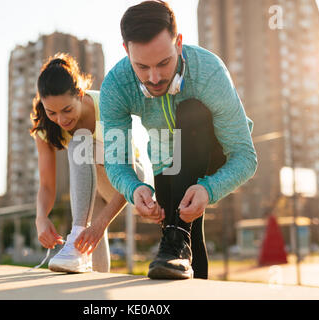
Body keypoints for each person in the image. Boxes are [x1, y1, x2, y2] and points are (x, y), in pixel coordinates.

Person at [99, 0, 257, 279]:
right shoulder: (116, 86)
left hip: (215, 148)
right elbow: (115, 161)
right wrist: (134, 189)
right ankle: (180, 247)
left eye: (164, 62)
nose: (155, 77)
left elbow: (245, 157)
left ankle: (177, 236)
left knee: (191, 110)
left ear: (179, 43)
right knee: (180, 242)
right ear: (126, 51)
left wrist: (209, 189)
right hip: (165, 158)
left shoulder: (208, 71)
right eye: (142, 67)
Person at [30, 53, 141, 273]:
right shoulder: (45, 128)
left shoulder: (107, 105)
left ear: (80, 95)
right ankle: (78, 246)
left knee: (80, 140)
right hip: (91, 193)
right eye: (52, 112)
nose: (61, 120)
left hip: (129, 181)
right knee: (97, 270)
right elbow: (47, 186)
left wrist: (100, 225)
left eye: (67, 110)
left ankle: (77, 232)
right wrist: (41, 218)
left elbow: (130, 171)